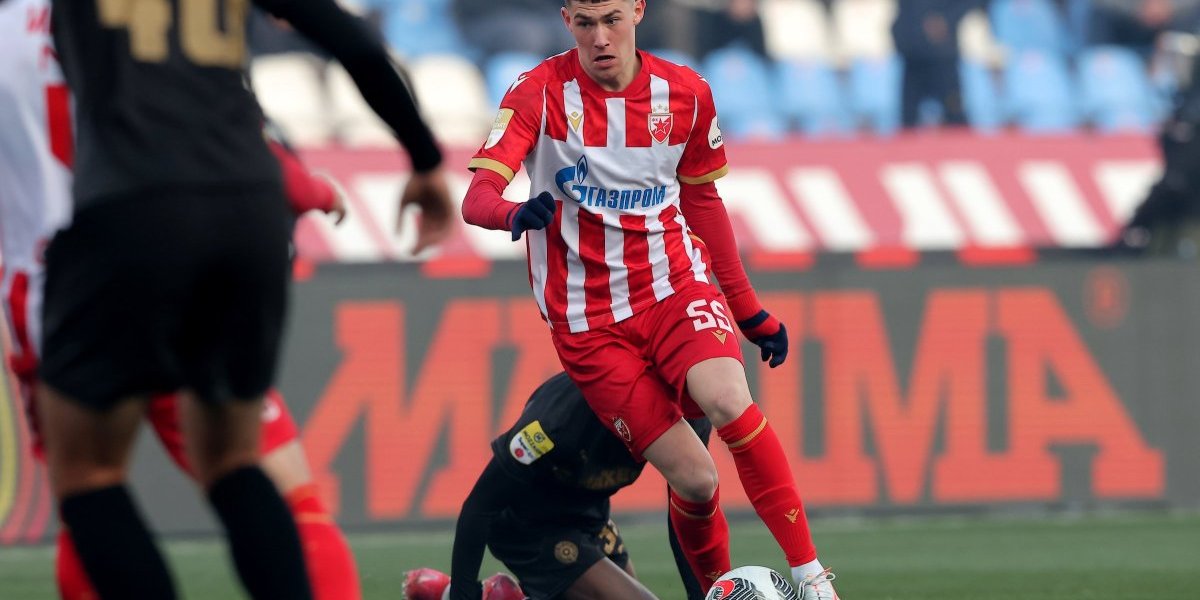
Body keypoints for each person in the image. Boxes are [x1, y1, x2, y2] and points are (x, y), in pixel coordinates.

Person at [40, 0, 452, 596]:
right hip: (248, 208)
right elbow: (355, 41)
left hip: (132, 203)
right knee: (234, 462)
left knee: (89, 473)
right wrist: (425, 158)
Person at [460, 1, 838, 598]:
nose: (600, 38)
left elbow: (703, 205)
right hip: (588, 323)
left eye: (612, 19)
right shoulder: (538, 93)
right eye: (585, 23)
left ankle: (812, 577)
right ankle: (716, 591)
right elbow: (476, 195)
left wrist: (749, 311)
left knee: (729, 400)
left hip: (672, 287)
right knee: (696, 481)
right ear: (567, 20)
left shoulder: (685, 93)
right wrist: (512, 212)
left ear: (638, 10)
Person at [404, 372, 711, 600]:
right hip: (526, 526)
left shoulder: (688, 413)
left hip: (589, 516)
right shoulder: (558, 421)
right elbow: (479, 507)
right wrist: (464, 595)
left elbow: (686, 515)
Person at [891, 0, 984, 128]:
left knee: (955, 115)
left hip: (943, 55)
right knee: (908, 120)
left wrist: (946, 19)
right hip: (911, 54)